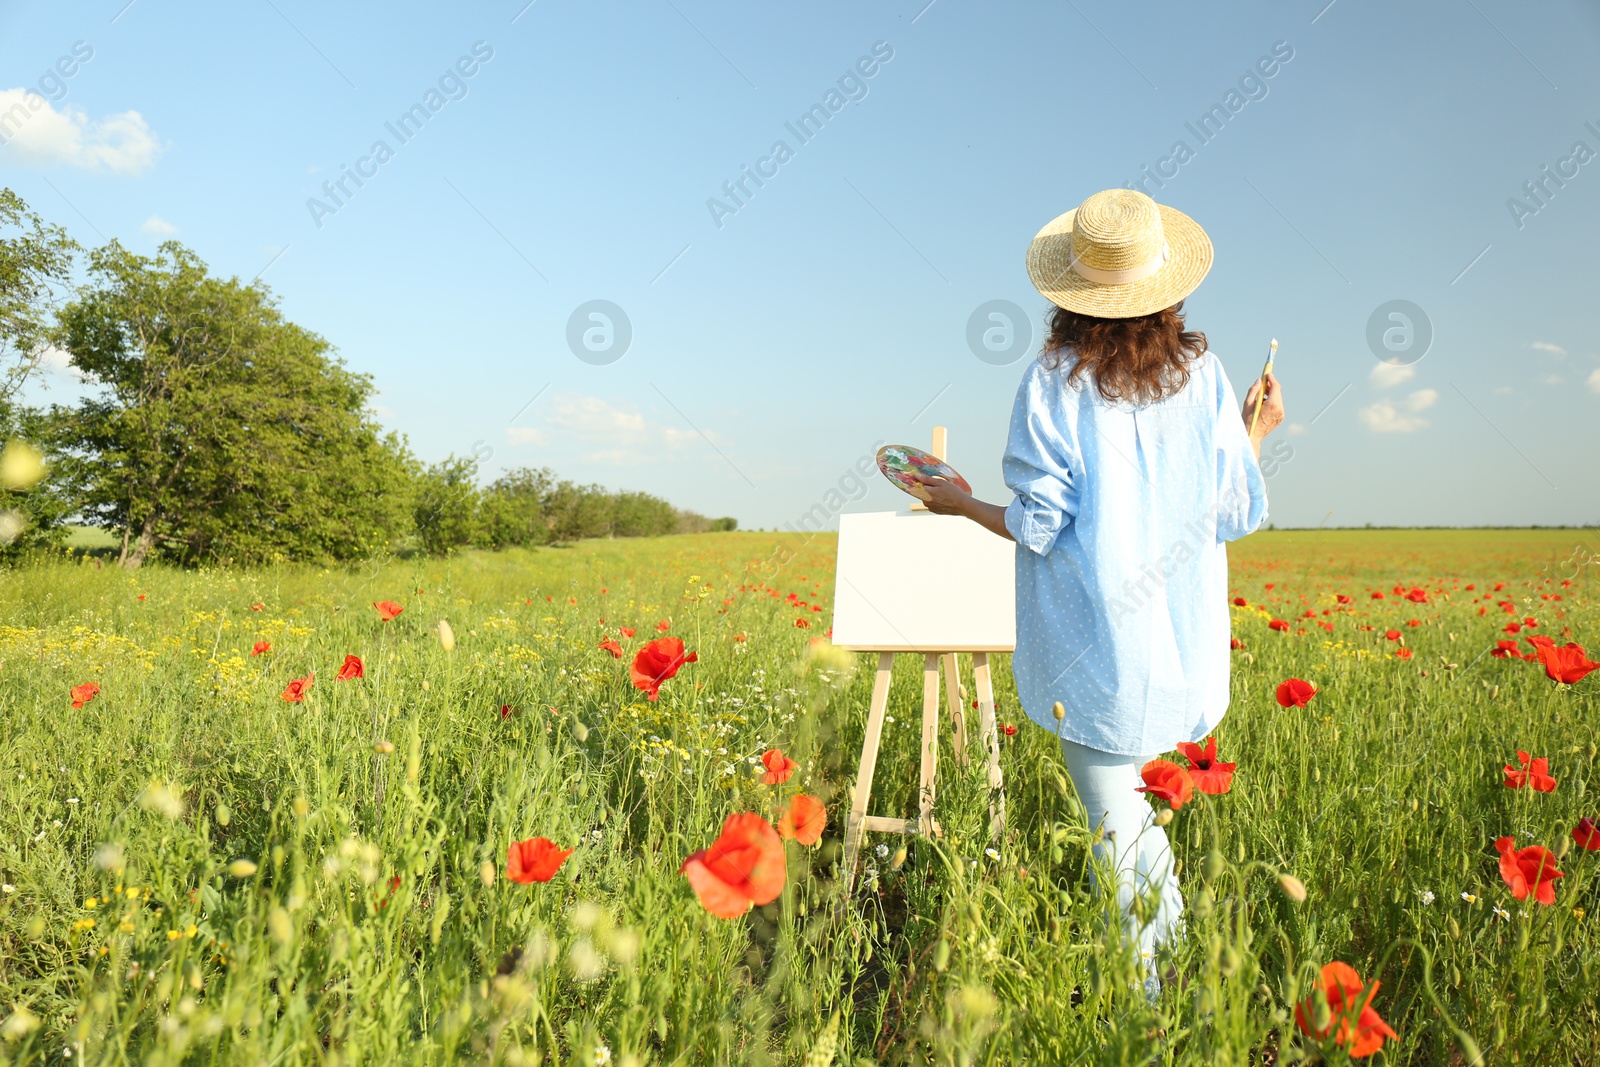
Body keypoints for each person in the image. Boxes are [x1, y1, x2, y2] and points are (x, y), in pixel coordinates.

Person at [915, 188, 1285, 992]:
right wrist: (1255, 430)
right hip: (1177, 644)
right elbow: (1227, 505)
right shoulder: (1207, 376)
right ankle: (1165, 988)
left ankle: (1155, 1012)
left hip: (1095, 650)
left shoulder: (1054, 379)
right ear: (1168, 289)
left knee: (1122, 837)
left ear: (1070, 297)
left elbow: (1038, 522)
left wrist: (959, 502)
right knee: (1129, 824)